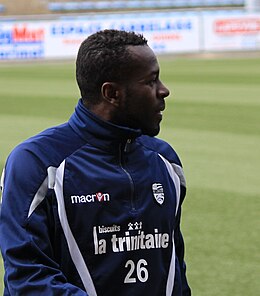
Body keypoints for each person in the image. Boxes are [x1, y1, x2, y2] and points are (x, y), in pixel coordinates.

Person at [0, 29, 191, 295]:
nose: (164, 91)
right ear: (111, 93)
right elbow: (28, 278)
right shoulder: (37, 163)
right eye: (151, 81)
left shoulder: (165, 162)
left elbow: (174, 270)